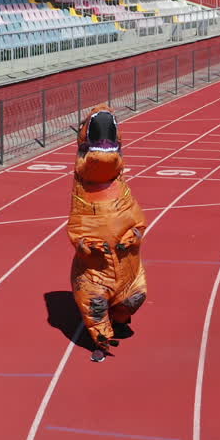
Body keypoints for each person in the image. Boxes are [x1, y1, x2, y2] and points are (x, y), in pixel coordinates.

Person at [67, 105, 148, 362]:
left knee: (134, 297)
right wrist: (84, 246)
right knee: (94, 305)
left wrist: (134, 235)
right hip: (95, 272)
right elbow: (77, 229)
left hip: (128, 270)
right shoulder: (81, 195)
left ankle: (121, 319)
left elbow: (138, 222)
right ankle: (100, 343)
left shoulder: (123, 192)